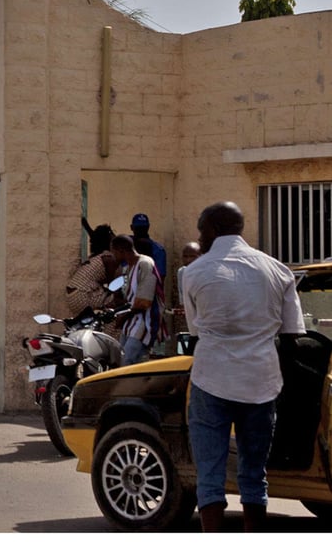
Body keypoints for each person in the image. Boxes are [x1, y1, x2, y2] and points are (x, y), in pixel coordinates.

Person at [181, 202, 304, 532]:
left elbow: (196, 332)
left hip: (211, 381)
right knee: (254, 472)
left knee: (210, 472)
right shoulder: (278, 270)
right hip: (260, 383)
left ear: (213, 229)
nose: (199, 236)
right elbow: (292, 337)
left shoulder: (192, 273)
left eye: (200, 229)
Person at [110, 233, 165, 365]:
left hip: (145, 322)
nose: (113, 256)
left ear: (121, 251)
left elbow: (144, 302)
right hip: (131, 322)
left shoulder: (145, 264)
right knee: (119, 359)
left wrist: (123, 316)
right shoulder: (129, 267)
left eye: (114, 252)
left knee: (128, 360)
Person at [66, 221, 119, 315]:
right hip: (83, 296)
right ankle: (111, 329)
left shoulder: (94, 257)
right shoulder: (108, 258)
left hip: (71, 297)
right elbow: (114, 286)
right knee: (117, 303)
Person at [164, 241, 202, 353]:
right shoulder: (182, 272)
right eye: (185, 256)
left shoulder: (205, 273)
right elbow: (183, 297)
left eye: (193, 257)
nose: (188, 260)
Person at [130, 213, 168, 281]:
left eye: (144, 228)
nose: (141, 231)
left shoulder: (157, 250)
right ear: (132, 228)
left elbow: (160, 276)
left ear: (148, 227)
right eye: (138, 228)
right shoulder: (126, 248)